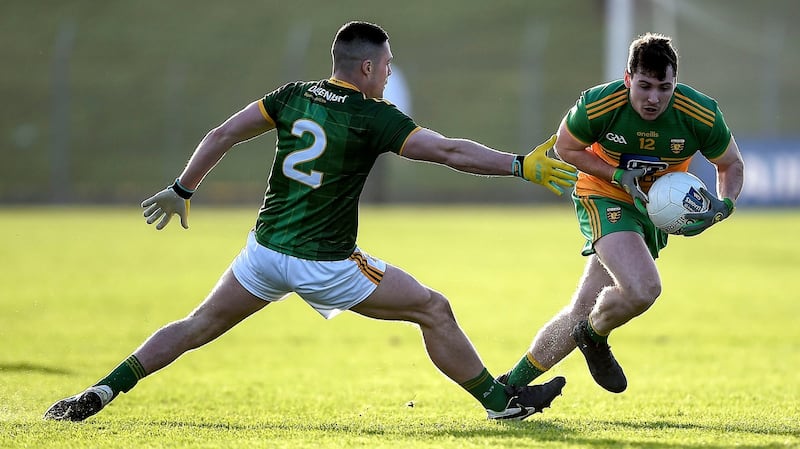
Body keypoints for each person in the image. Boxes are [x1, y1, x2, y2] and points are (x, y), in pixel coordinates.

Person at [44, 20, 577, 422]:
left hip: (264, 253)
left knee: (196, 326)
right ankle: (497, 403)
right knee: (434, 309)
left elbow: (221, 134)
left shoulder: (293, 95)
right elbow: (449, 152)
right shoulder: (374, 117)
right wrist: (519, 165)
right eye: (388, 63)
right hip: (325, 263)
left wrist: (183, 189)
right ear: (366, 68)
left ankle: (100, 391)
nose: (390, 71)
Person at [499, 33, 745, 394]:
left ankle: (509, 389)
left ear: (675, 82)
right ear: (628, 78)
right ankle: (594, 337)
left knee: (584, 307)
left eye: (665, 87)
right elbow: (567, 148)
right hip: (604, 194)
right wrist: (616, 174)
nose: (654, 98)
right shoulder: (600, 104)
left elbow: (730, 164)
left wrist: (725, 205)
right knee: (644, 288)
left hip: (653, 210)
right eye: (644, 86)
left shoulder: (700, 113)